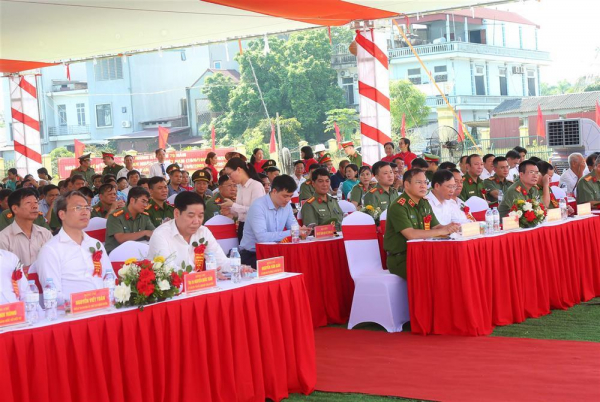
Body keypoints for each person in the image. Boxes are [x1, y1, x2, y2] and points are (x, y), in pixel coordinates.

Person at [36, 191, 112, 303]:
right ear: (62, 214)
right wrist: (87, 301)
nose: (85, 212)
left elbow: (110, 277)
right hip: (73, 313)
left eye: (87, 208)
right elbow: (53, 294)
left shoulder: (95, 244)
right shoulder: (50, 250)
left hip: (105, 307)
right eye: (78, 208)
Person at [384, 169, 461, 279]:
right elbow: (410, 234)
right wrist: (442, 231)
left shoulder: (424, 202)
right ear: (406, 184)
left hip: (423, 254)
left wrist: (450, 227)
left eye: (425, 182)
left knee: (454, 263)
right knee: (439, 271)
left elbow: (436, 226)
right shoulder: (399, 206)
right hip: (403, 259)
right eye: (419, 182)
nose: (423, 186)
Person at [147, 191, 230, 271]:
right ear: (176, 214)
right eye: (191, 216)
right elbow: (168, 269)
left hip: (197, 282)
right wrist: (203, 277)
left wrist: (238, 267)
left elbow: (221, 261)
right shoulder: (161, 235)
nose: (196, 221)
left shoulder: (203, 231)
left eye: (200, 216)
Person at [240, 175, 308, 267]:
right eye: (285, 196)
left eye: (290, 196)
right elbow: (262, 237)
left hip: (276, 251)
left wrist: (301, 231)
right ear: (274, 191)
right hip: (253, 254)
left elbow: (293, 226)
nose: (288, 200)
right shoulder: (258, 206)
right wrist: (292, 232)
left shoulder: (287, 206)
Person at [0, 188, 53, 268]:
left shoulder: (45, 233)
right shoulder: (4, 238)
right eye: (28, 203)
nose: (35, 206)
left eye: (36, 202)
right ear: (15, 209)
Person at [219, 157, 265, 241]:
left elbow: (256, 211)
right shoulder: (239, 187)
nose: (230, 178)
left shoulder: (256, 186)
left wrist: (233, 205)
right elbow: (241, 212)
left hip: (254, 227)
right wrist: (230, 210)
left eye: (230, 174)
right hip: (242, 226)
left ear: (239, 169)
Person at [105, 187, 156, 254]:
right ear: (132, 200)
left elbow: (154, 233)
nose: (145, 205)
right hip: (117, 254)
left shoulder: (144, 216)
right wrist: (144, 232)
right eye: (143, 201)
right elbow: (121, 238)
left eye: (147, 202)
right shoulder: (115, 216)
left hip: (138, 252)